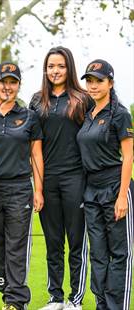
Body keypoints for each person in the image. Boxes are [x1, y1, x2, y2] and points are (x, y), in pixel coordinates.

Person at [29, 46, 92, 310]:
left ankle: (75, 300)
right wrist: (38, 188)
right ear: (45, 69)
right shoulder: (37, 101)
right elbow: (34, 147)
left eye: (61, 66)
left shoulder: (82, 99)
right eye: (51, 66)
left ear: (69, 68)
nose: (56, 70)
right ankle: (55, 297)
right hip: (48, 179)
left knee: (75, 241)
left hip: (75, 178)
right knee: (53, 242)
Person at [0, 62, 44, 310]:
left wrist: (38, 190)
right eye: (3, 81)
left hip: (20, 188)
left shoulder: (29, 116)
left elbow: (36, 155)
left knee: (16, 245)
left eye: (12, 82)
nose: (7, 87)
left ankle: (16, 301)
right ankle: (6, 291)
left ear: (18, 85)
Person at [77, 60, 133, 310]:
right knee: (98, 254)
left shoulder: (120, 114)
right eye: (89, 80)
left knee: (119, 254)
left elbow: (129, 156)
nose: (93, 85)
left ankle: (116, 305)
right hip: (91, 192)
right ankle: (101, 304)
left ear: (110, 82)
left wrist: (122, 196)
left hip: (115, 188)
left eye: (98, 80)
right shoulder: (88, 115)